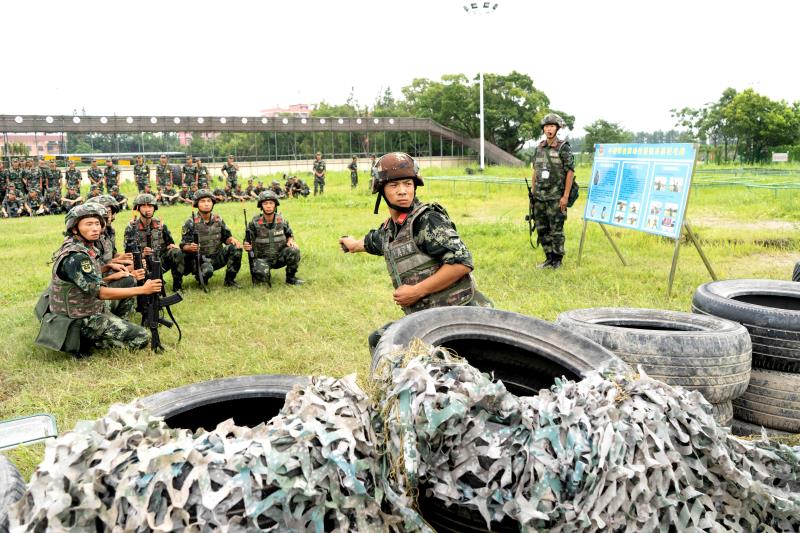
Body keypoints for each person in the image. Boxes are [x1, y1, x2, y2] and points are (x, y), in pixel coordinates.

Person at [338, 152, 492, 352]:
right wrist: (353, 244)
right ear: (381, 190)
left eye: (408, 184)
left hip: (462, 316)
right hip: (429, 318)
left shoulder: (427, 220)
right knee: (379, 341)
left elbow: (461, 263)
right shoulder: (390, 230)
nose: (403, 191)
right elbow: (374, 242)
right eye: (394, 185)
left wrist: (417, 291)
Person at [33, 203, 161, 357]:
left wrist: (108, 268)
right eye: (88, 224)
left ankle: (114, 326)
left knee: (127, 281)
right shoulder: (77, 256)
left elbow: (84, 277)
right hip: (78, 319)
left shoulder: (84, 247)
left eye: (97, 224)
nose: (95, 228)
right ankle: (87, 341)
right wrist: (143, 290)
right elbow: (101, 292)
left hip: (87, 306)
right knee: (142, 337)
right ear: (75, 228)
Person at [529, 113, 575, 270]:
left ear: (557, 128)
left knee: (556, 230)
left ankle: (557, 260)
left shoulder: (563, 147)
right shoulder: (539, 148)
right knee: (542, 228)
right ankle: (548, 258)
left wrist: (565, 196)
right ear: (543, 129)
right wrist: (533, 194)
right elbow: (535, 170)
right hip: (540, 197)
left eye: (552, 126)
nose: (549, 129)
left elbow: (570, 172)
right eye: (547, 126)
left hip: (556, 197)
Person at [85, 195, 143, 319]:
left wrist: (125, 258)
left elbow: (110, 256)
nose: (111, 217)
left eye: (111, 213)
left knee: (138, 265)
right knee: (130, 278)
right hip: (92, 289)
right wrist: (119, 270)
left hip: (100, 277)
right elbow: (93, 275)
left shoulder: (108, 231)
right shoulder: (90, 238)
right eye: (107, 212)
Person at [180, 189, 243, 289]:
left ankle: (230, 280)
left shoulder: (218, 219)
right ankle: (201, 276)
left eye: (209, 201)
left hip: (217, 256)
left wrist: (232, 240)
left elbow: (226, 238)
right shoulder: (190, 222)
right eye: (203, 201)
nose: (206, 204)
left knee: (236, 248)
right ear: (197, 204)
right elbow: (183, 245)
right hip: (200, 259)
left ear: (212, 203)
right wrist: (190, 247)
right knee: (207, 271)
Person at [125, 193, 186, 292]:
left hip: (159, 261)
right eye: (143, 206)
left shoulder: (160, 225)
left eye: (150, 206)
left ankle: (177, 286)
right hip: (142, 264)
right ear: (138, 208)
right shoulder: (131, 227)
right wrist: (142, 254)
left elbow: (169, 244)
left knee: (176, 252)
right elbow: (128, 254)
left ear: (154, 208)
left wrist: (173, 247)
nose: (147, 209)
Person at [243, 190, 304, 286]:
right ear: (261, 205)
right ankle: (261, 273)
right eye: (265, 203)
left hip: (280, 257)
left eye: (271, 203)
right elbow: (247, 242)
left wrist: (290, 241)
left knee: (294, 250)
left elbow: (289, 235)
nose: (268, 206)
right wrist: (246, 246)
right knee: (262, 283)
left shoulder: (282, 220)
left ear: (275, 205)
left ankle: (291, 278)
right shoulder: (254, 223)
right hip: (262, 259)